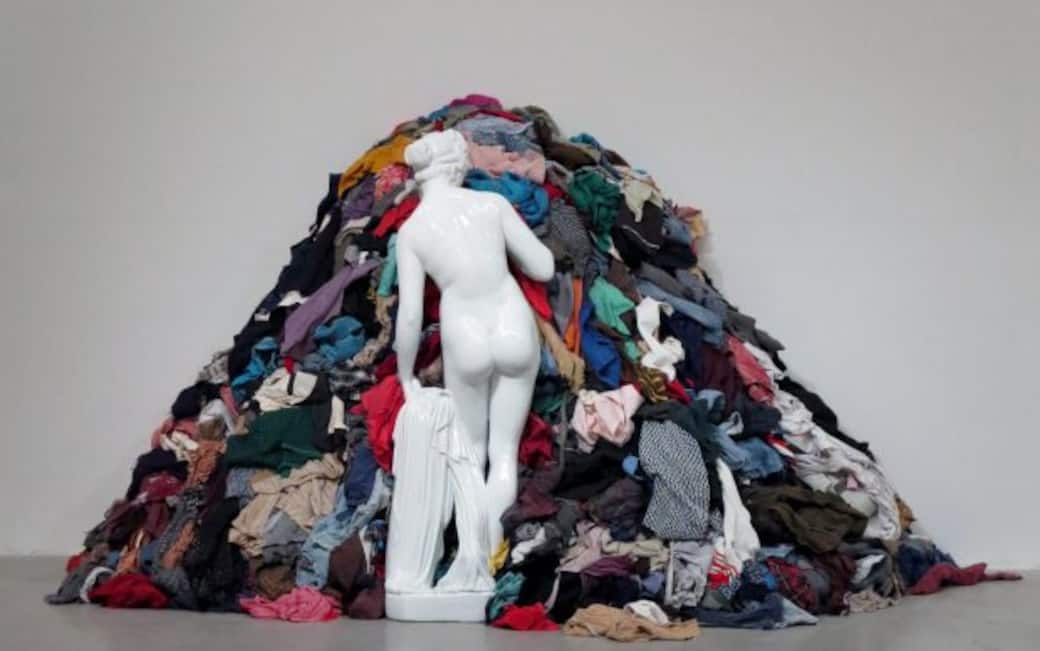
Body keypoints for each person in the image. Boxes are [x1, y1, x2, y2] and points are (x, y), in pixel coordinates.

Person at [394, 129, 554, 551]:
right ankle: (490, 556)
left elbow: (409, 315)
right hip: (512, 323)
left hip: (464, 334)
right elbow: (543, 267)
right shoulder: (491, 204)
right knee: (504, 453)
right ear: (458, 164)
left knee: (470, 452)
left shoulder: (412, 232)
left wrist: (406, 375)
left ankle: (469, 556)